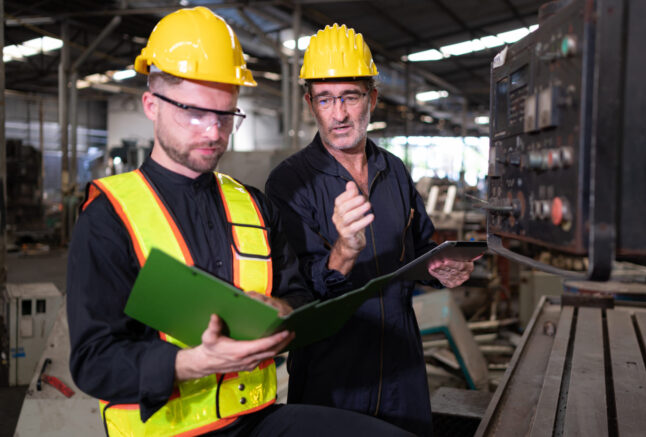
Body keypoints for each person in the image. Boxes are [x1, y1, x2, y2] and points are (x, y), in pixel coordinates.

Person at [67, 8, 412, 437]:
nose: (214, 132)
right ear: (151, 105)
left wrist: (281, 311)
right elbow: (92, 362)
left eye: (226, 115)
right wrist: (189, 363)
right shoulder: (109, 216)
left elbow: (300, 300)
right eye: (195, 113)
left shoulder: (252, 205)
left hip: (254, 421)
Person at [265, 24, 477, 436]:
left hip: (403, 367)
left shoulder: (394, 170)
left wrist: (443, 268)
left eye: (351, 96)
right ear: (310, 103)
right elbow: (296, 298)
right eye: (325, 99)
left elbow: (421, 249)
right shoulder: (289, 184)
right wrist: (344, 249)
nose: (339, 114)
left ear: (373, 99)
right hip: (333, 377)